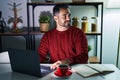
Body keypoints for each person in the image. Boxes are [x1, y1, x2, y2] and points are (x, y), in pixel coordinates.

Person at [38, 4, 88, 69]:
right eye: (64, 16)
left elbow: (83, 56)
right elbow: (41, 54)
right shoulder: (47, 36)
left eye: (69, 15)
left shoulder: (78, 33)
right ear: (55, 18)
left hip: (74, 69)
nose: (69, 18)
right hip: (55, 70)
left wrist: (67, 61)